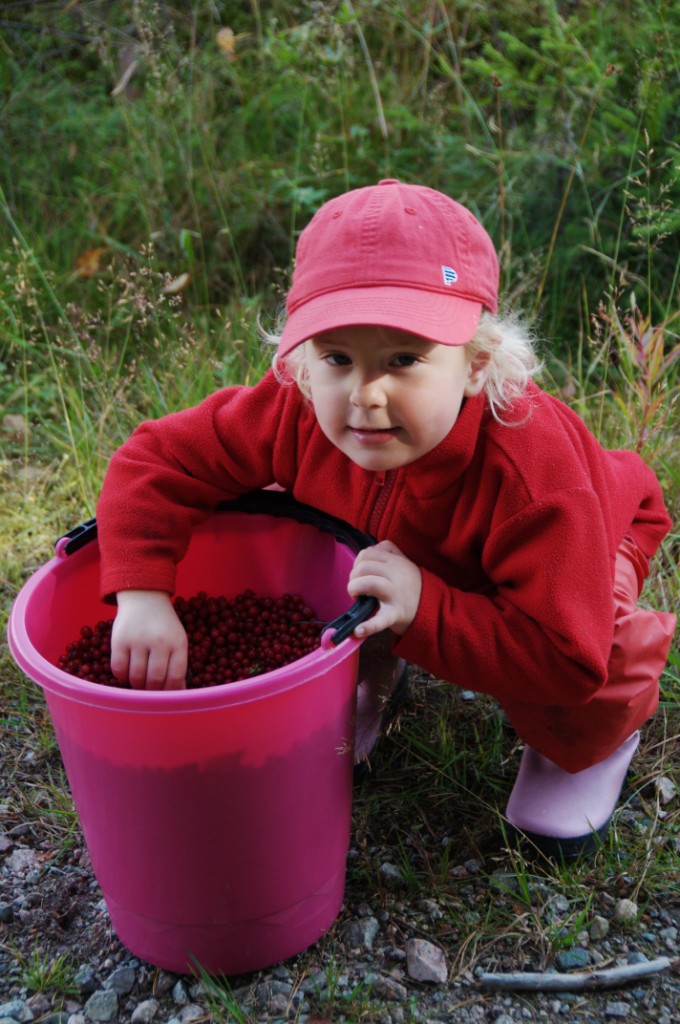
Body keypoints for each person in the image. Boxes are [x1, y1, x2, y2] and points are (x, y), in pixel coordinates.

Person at [96, 179, 676, 859]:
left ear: (476, 366)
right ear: (301, 360)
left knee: (594, 642)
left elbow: (565, 657)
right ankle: (374, 660)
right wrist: (142, 593)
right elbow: (156, 461)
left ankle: (587, 746)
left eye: (404, 359)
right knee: (295, 524)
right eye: (337, 358)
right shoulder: (293, 407)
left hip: (587, 547)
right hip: (411, 551)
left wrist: (426, 606)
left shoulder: (533, 476)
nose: (366, 394)